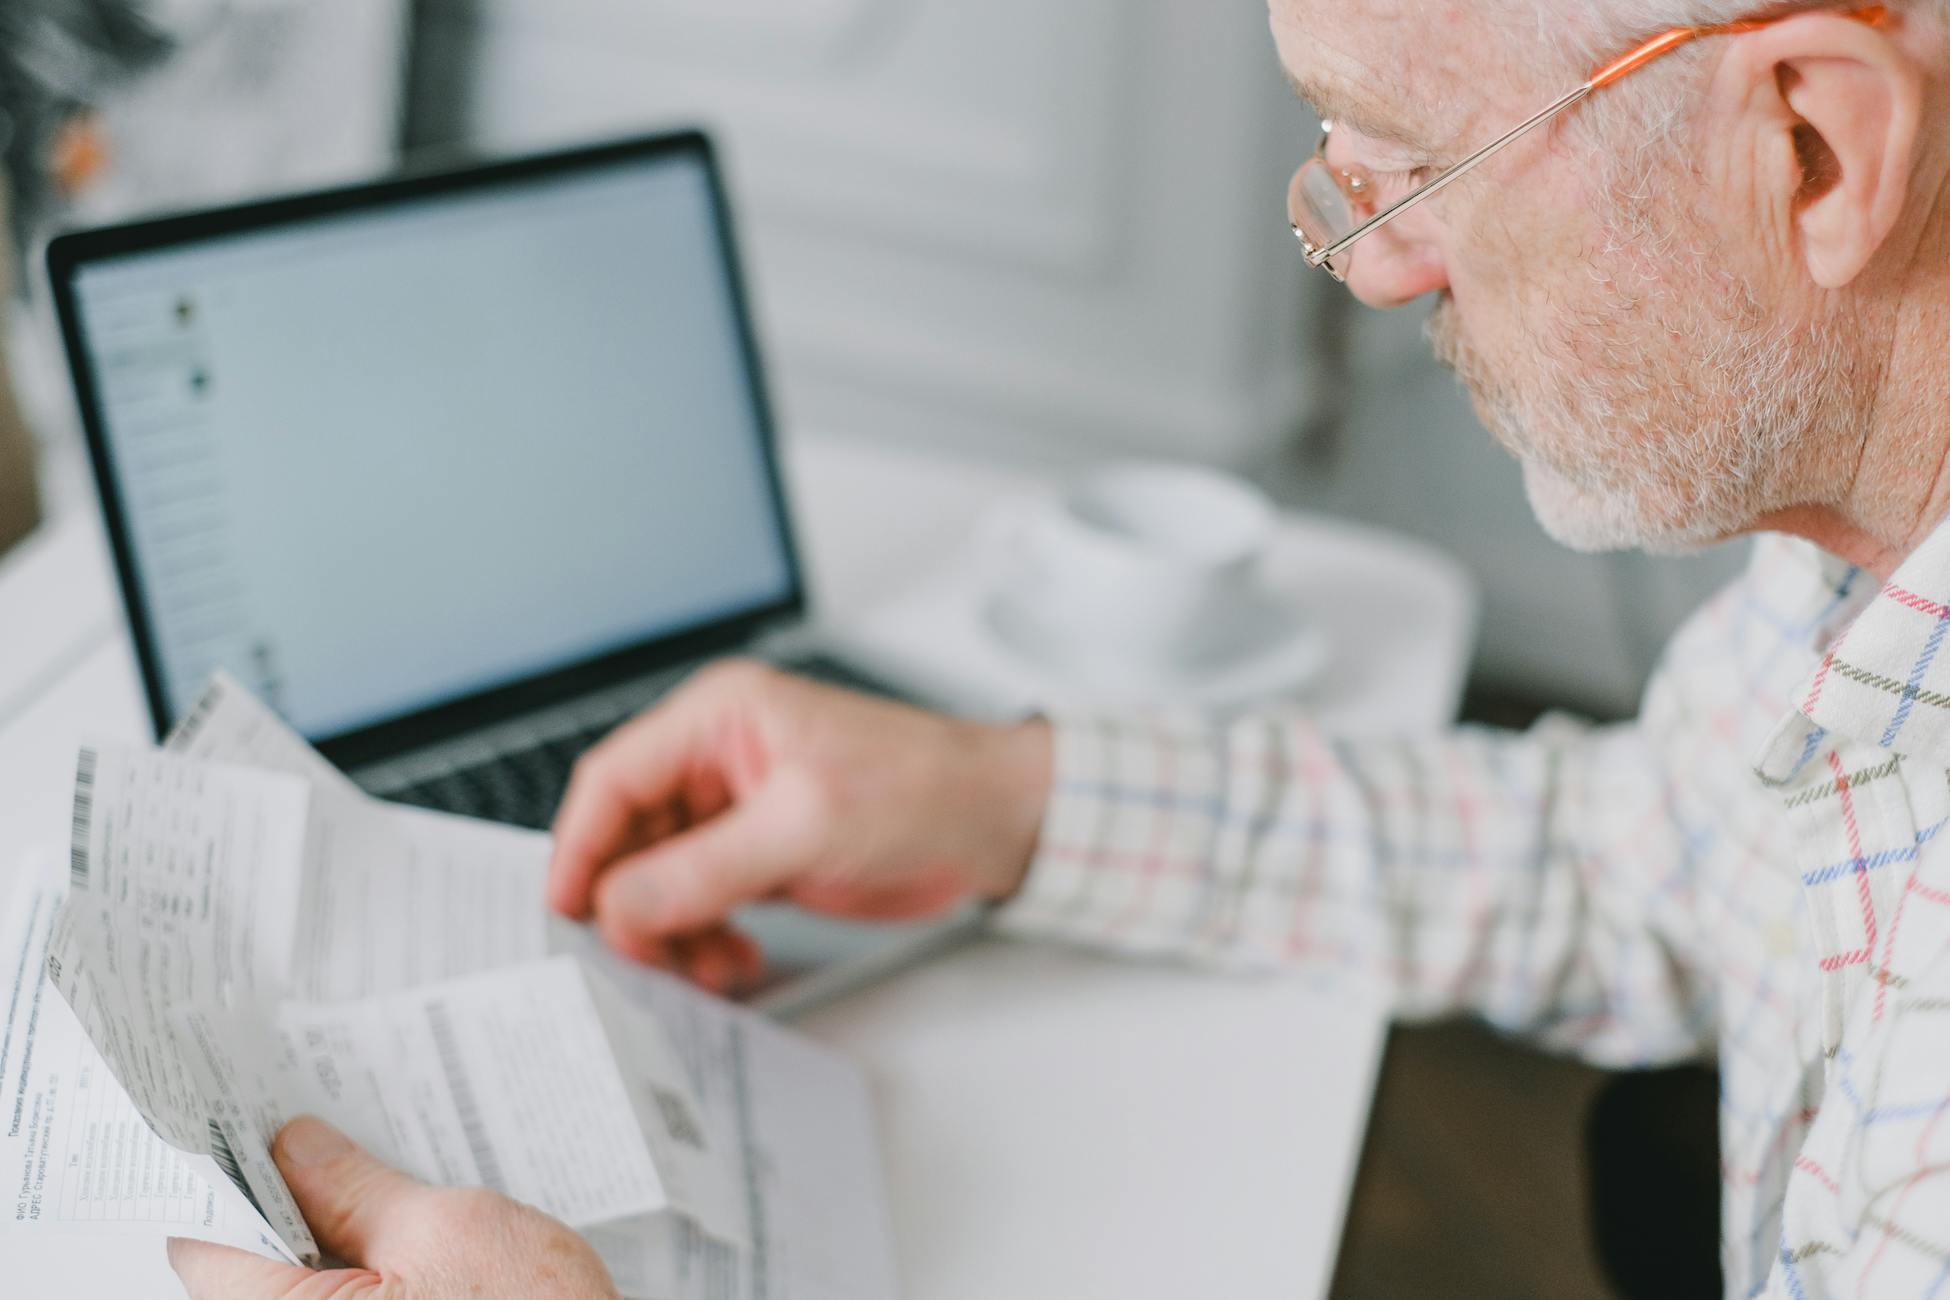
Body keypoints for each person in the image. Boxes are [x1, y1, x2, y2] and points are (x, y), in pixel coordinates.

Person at [173, 0, 1950, 1296]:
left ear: (1809, 145)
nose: (1379, 262)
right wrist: (998, 795)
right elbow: (1632, 859)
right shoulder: (1851, 556)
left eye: (1411, 160)